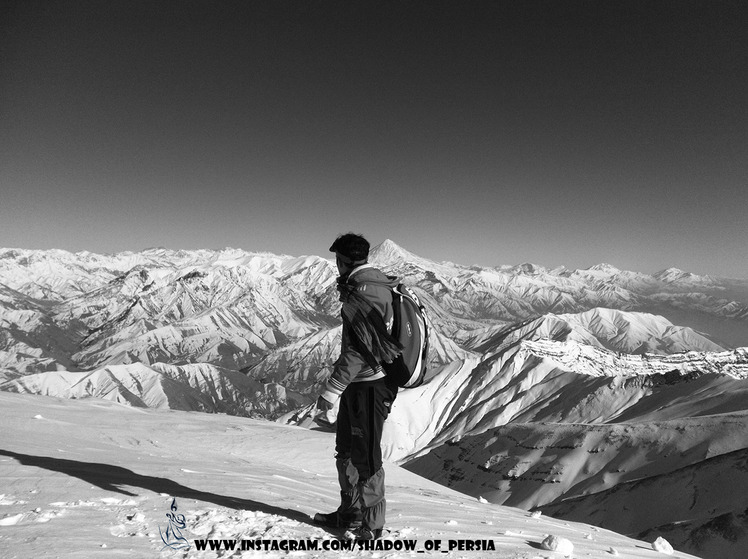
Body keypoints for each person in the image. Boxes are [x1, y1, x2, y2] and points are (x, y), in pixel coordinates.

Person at [313, 233, 401, 540]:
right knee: (347, 452)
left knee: (366, 458)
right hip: (359, 385)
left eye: (336, 260)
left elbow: (359, 349)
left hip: (369, 387)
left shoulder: (366, 291)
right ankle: (349, 513)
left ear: (342, 260)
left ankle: (372, 526)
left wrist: (331, 389)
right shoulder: (366, 285)